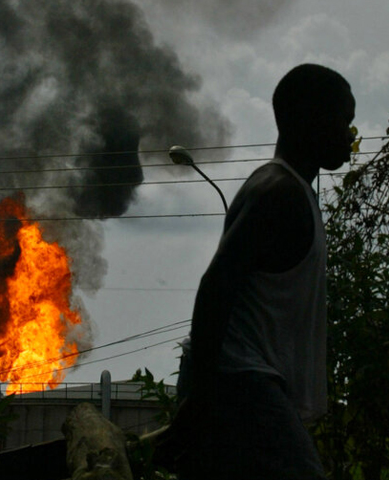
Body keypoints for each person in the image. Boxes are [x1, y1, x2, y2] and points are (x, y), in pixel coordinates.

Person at [163, 64, 356, 479]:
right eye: (344, 121)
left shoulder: (293, 191)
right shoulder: (278, 193)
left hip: (242, 386)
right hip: (239, 383)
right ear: (310, 118)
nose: (349, 135)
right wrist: (201, 399)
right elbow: (215, 287)